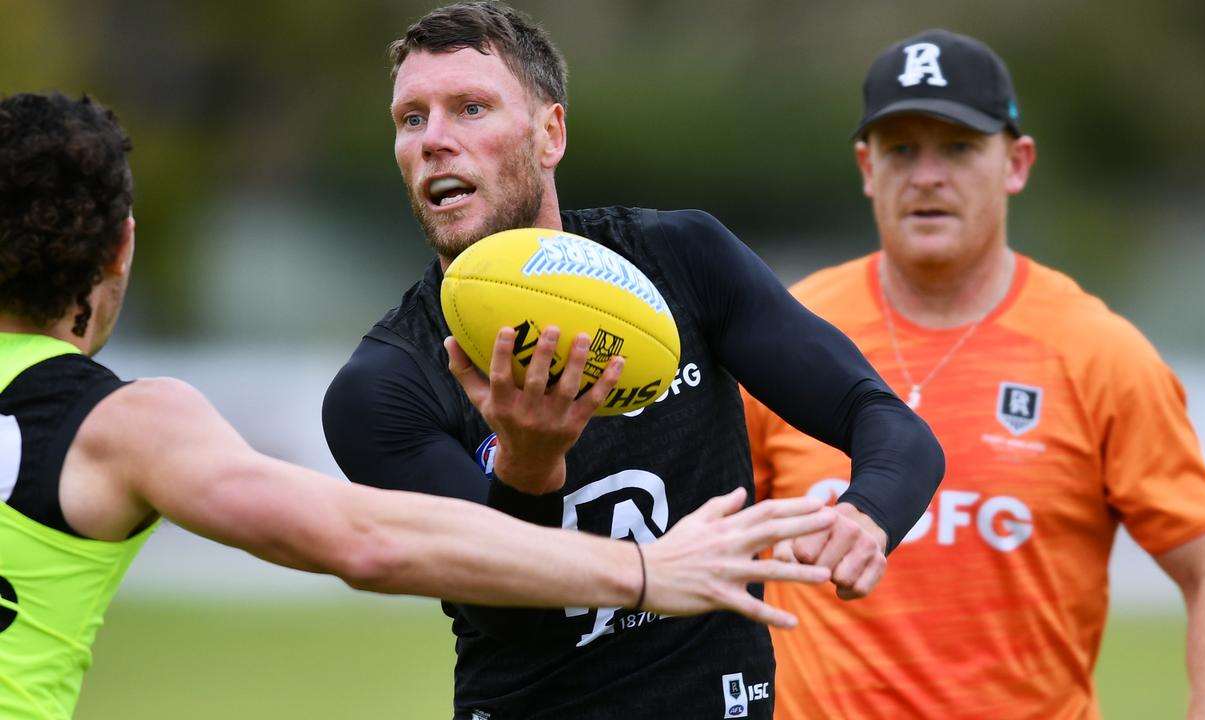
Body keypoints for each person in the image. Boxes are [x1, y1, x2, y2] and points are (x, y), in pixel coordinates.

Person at [0, 91, 853, 720]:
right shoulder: (120, 425)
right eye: (412, 118)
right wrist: (646, 572)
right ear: (122, 247)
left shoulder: (682, 252)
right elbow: (367, 541)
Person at [321, 3, 944, 718]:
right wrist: (529, 464)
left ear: (550, 133)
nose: (434, 141)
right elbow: (510, 615)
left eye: (469, 108)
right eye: (412, 119)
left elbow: (890, 424)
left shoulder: (680, 262)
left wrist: (867, 515)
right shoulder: (383, 387)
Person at [743, 28, 1205, 719]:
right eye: (901, 149)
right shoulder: (790, 334)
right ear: (867, 168)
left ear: (1016, 163)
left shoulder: (1098, 352)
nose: (927, 175)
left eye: (959, 148)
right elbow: (700, 546)